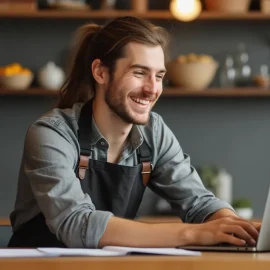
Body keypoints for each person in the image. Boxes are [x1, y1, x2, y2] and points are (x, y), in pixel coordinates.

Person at [8, 16, 260, 248]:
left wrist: (235, 227)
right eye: (139, 73)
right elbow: (76, 223)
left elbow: (199, 203)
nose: (152, 89)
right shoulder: (51, 133)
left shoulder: (154, 132)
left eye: (159, 76)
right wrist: (194, 233)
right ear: (101, 72)